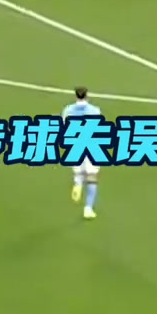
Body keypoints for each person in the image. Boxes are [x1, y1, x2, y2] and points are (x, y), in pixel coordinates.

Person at [61, 87, 101, 220]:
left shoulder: (67, 110)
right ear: (87, 96)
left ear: (76, 96)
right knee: (92, 177)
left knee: (79, 172)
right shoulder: (95, 110)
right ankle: (88, 208)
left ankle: (78, 184)